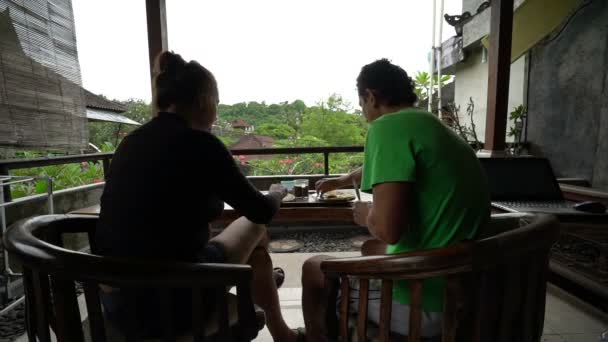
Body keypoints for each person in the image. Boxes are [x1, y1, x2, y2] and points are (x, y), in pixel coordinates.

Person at [95, 51, 297, 341]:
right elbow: (260, 210)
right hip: (175, 302)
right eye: (216, 103)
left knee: (257, 256)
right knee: (255, 226)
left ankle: (259, 282)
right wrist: (277, 192)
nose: (215, 112)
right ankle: (266, 303)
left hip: (119, 303)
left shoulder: (130, 143)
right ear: (204, 101)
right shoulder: (202, 144)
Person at [300, 59, 490, 341]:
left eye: (362, 103)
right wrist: (340, 181)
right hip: (467, 287)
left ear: (371, 96)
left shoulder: (386, 127)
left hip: (426, 301)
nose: (363, 111)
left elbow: (389, 229)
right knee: (371, 248)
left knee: (314, 268)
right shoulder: (428, 125)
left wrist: (368, 215)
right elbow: (388, 164)